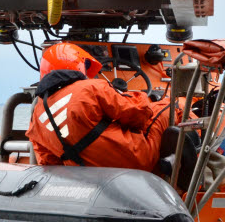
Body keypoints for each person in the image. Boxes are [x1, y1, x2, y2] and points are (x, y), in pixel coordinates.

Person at [25, 43, 175, 171]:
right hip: (137, 161)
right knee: (172, 106)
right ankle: (186, 176)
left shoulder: (36, 117)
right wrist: (135, 96)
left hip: (88, 177)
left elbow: (48, 162)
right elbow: (139, 115)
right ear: (76, 64)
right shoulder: (91, 88)